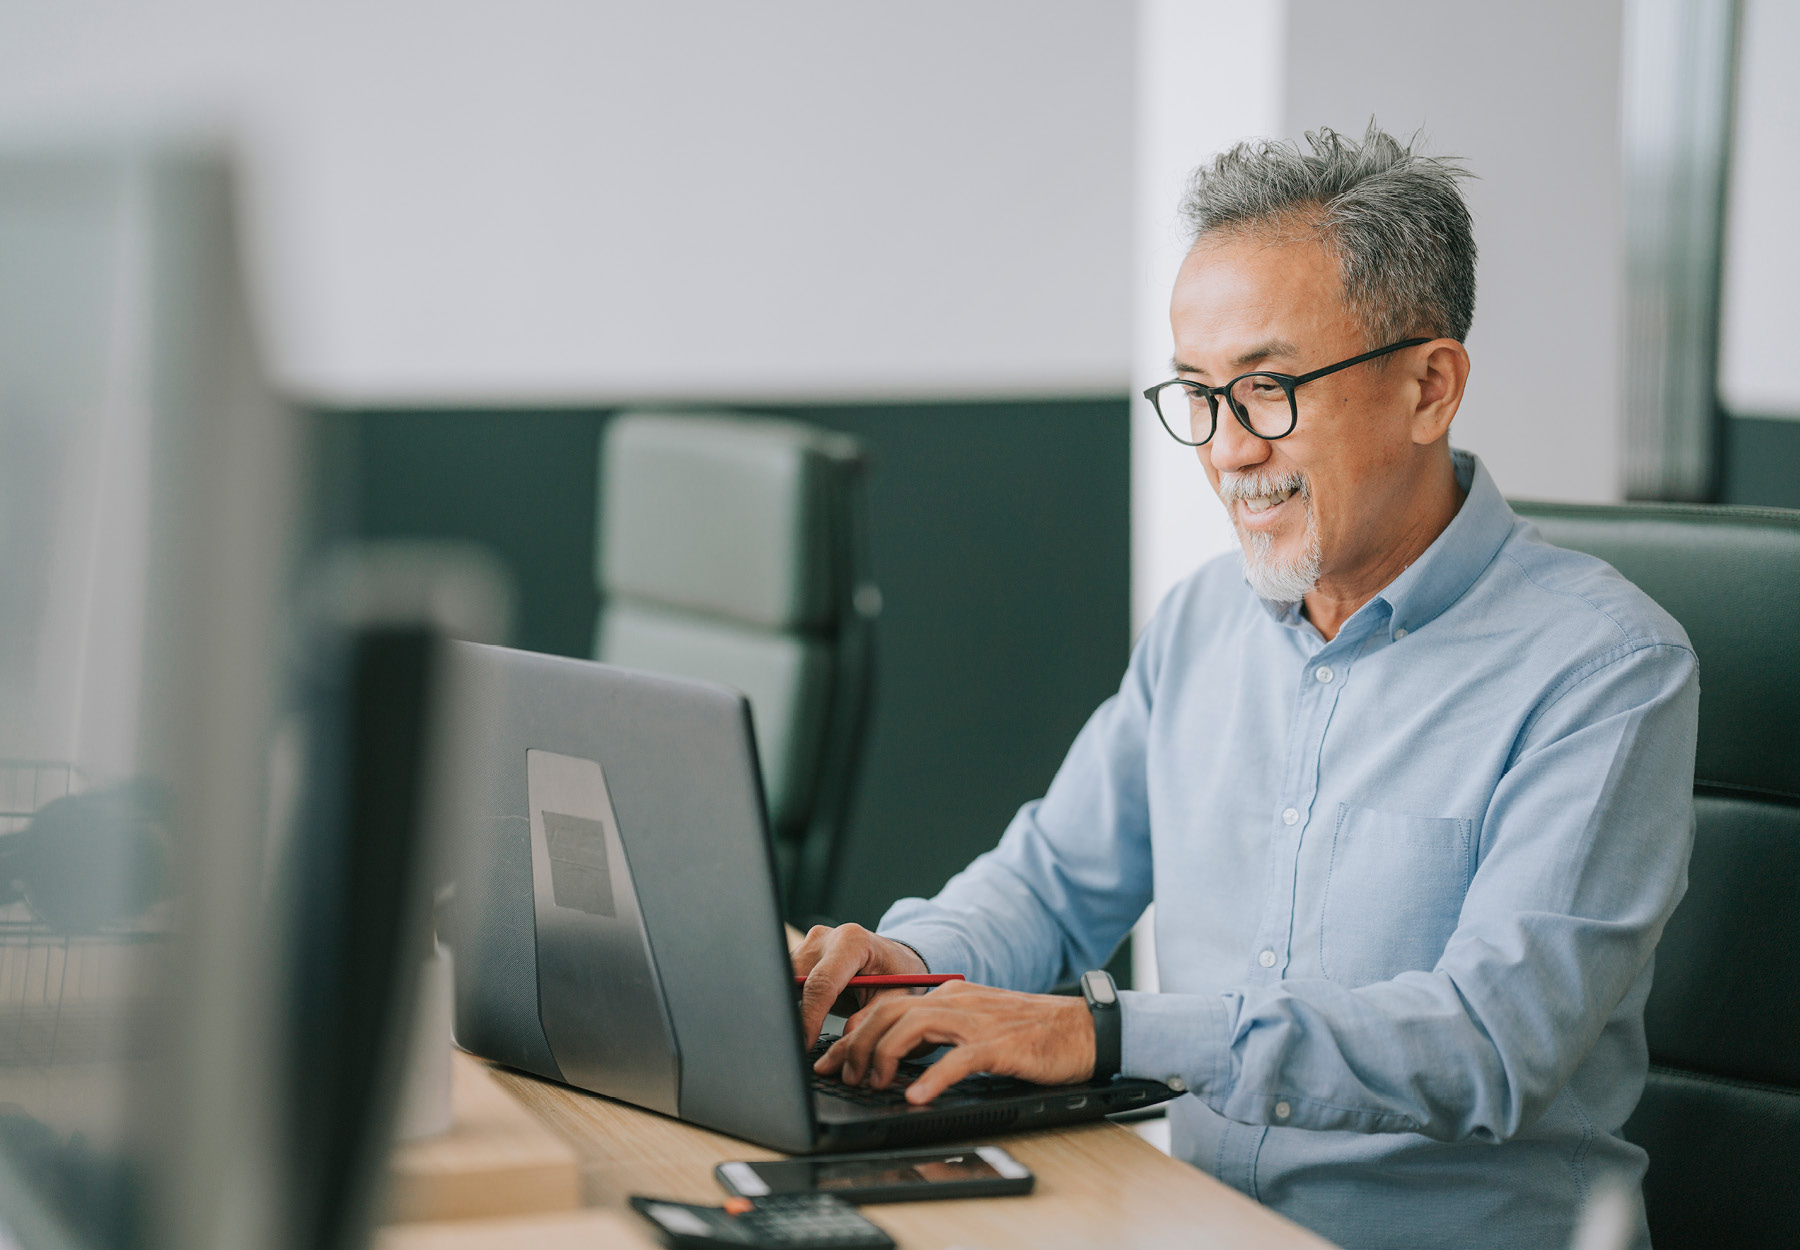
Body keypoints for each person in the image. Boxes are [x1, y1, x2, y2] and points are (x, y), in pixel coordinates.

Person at [793, 123, 1698, 1250]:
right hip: (1191, 1224)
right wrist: (906, 963)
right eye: (1196, 395)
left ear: (1430, 386)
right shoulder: (1203, 621)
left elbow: (1488, 1040)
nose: (1226, 449)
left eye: (1268, 389)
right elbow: (1049, 884)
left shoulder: (1606, 668)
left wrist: (1106, 1032)